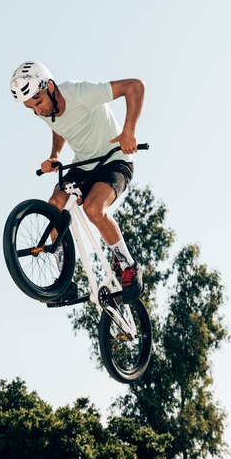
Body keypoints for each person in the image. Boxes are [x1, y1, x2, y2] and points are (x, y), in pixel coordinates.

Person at [10, 61, 145, 304]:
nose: (38, 111)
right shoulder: (44, 110)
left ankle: (128, 266)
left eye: (38, 102)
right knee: (54, 204)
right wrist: (54, 156)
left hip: (115, 159)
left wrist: (129, 132)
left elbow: (135, 87)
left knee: (93, 208)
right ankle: (64, 282)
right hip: (83, 164)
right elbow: (58, 127)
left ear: (50, 87)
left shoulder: (80, 93)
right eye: (31, 108)